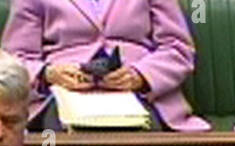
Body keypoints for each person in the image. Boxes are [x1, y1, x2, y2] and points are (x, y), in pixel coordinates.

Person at [1, 0, 208, 131]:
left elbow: (178, 49)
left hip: (138, 93)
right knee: (55, 145)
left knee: (143, 140)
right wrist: (48, 74)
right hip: (63, 95)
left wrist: (141, 76)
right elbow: (13, 60)